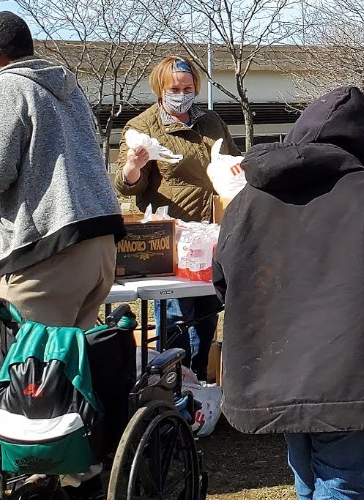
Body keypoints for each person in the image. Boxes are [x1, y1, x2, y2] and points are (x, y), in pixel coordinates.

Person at [213, 86, 364, 498]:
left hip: (276, 369)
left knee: (308, 479)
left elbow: (224, 281)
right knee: (340, 485)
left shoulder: (247, 199)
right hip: (350, 375)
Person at [0, 11, 125, 329]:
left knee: (30, 356)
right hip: (99, 237)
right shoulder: (68, 86)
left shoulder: (4, 86)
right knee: (77, 354)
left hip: (51, 245)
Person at [114, 56, 240, 379]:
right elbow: (127, 185)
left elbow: (230, 161)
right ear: (159, 88)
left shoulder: (211, 122)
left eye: (188, 88)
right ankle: (174, 383)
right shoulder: (142, 127)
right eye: (174, 89)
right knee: (176, 318)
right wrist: (133, 167)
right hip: (171, 241)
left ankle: (200, 379)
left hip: (212, 235)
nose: (181, 95)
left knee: (208, 313)